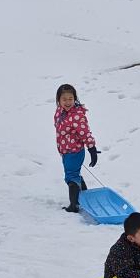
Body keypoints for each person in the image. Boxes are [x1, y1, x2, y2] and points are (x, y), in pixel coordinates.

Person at [54, 84, 99, 213]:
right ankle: (85, 196)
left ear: (75, 98)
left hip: (74, 152)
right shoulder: (60, 111)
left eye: (70, 98)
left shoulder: (77, 115)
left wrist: (92, 149)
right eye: (64, 99)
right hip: (66, 151)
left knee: (71, 177)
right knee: (74, 174)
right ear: (59, 100)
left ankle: (74, 206)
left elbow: (85, 133)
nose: (68, 102)